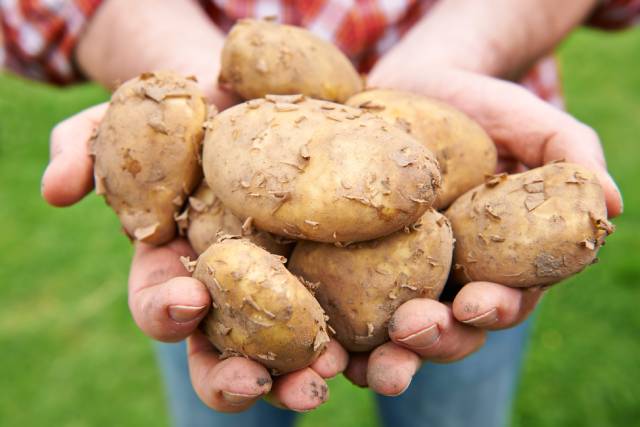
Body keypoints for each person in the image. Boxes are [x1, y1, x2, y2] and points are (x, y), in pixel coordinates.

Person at [2, 1, 634, 426]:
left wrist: (453, 63)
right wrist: (183, 78)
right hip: (208, 271)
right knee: (217, 359)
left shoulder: (420, 172)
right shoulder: (229, 158)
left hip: (475, 166)